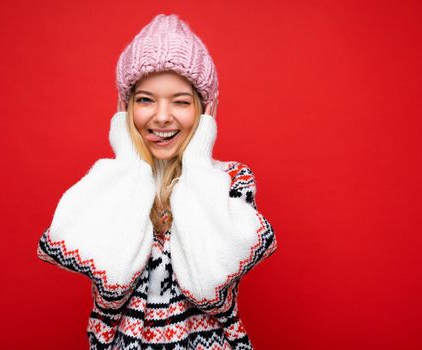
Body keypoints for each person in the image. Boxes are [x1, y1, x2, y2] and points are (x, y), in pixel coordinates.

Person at [37, 13, 277, 350]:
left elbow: (208, 288)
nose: (162, 116)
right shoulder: (110, 182)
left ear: (205, 110)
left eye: (180, 101)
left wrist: (195, 160)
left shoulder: (230, 182)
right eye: (145, 100)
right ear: (125, 108)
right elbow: (113, 282)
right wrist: (129, 158)